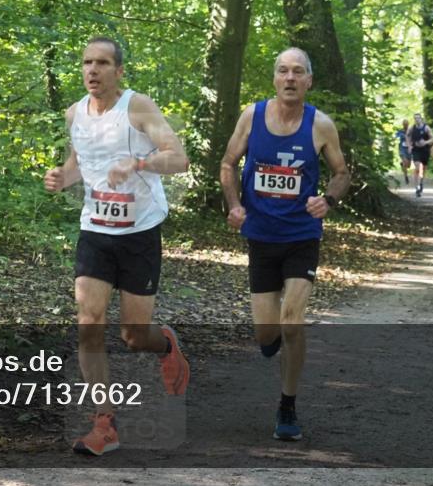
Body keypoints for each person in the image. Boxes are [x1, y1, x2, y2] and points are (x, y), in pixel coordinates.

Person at [44, 37, 190, 456]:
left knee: (132, 335)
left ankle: (164, 344)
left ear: (119, 71)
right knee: (89, 321)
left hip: (139, 233)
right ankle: (104, 423)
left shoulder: (137, 107)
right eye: (87, 62)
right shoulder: (75, 113)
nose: (93, 70)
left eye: (103, 63)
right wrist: (61, 178)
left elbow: (178, 159)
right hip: (96, 231)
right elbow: (79, 165)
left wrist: (140, 163)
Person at [220, 47, 350, 442]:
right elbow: (227, 164)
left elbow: (342, 173)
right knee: (266, 333)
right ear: (275, 79)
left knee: (292, 320)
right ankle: (273, 339)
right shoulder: (252, 117)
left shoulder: (320, 125)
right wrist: (234, 204)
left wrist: (327, 199)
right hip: (261, 237)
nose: (290, 78)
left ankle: (287, 405)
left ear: (309, 81)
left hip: (300, 238)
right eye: (283, 71)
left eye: (298, 72)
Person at [407, 113, 433, 197]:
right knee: (417, 167)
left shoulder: (426, 128)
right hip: (416, 150)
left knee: (424, 169)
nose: (417, 120)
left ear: (421, 119)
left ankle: (421, 182)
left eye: (418, 118)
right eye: (415, 118)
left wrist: (425, 142)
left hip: (425, 150)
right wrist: (409, 146)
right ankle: (416, 188)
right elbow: (407, 136)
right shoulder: (412, 128)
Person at [396, 119, 412, 185]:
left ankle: (402, 164)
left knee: (408, 165)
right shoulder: (400, 131)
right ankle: (406, 176)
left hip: (408, 149)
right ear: (403, 125)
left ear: (408, 124)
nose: (405, 125)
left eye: (406, 124)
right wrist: (402, 136)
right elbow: (396, 136)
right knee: (405, 162)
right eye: (404, 124)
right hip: (402, 149)